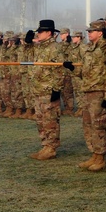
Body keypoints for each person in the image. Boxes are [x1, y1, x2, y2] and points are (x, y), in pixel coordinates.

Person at [63, 19, 106, 171]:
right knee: (88, 124)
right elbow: (85, 72)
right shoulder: (88, 49)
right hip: (87, 91)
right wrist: (72, 68)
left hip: (99, 91)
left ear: (100, 33)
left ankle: (101, 157)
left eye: (92, 31)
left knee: (98, 126)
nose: (88, 33)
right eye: (88, 31)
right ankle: (95, 154)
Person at [29, 20, 65, 160]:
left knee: (50, 120)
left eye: (41, 32)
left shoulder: (55, 48)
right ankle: (45, 145)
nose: (38, 34)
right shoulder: (40, 47)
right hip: (39, 89)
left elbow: (59, 70)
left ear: (49, 33)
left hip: (49, 90)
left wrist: (57, 89)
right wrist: (27, 42)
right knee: (40, 120)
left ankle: (51, 147)